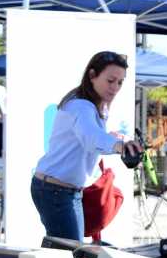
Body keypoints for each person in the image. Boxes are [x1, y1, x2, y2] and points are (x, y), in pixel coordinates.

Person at [31, 51, 141, 242]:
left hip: (61, 190)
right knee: (71, 257)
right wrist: (119, 146)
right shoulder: (81, 106)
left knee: (66, 254)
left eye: (120, 82)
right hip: (56, 191)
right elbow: (91, 137)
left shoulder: (89, 104)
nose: (115, 87)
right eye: (110, 80)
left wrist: (115, 140)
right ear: (92, 76)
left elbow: (91, 136)